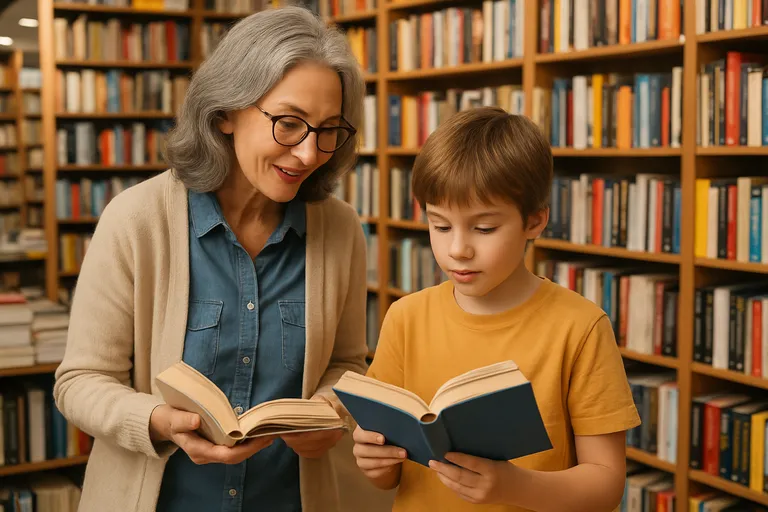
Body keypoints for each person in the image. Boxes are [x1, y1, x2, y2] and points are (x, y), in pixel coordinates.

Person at [53, 6, 392, 512]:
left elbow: (346, 363)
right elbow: (79, 383)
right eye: (289, 123)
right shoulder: (135, 220)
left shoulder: (339, 228)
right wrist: (159, 421)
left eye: (328, 130)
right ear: (225, 112)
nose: (308, 153)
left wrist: (331, 412)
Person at [351, 107, 642, 512]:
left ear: (535, 221)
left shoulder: (580, 327)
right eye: (440, 225)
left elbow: (607, 484)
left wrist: (514, 487)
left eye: (484, 228)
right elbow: (390, 475)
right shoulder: (406, 318)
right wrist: (373, 459)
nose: (458, 249)